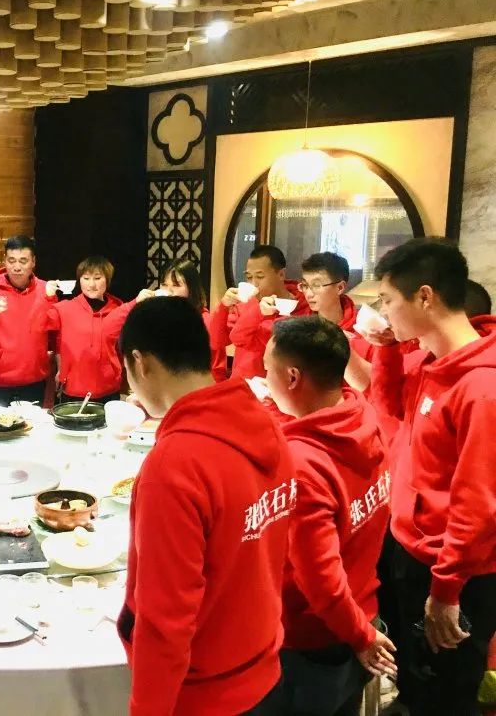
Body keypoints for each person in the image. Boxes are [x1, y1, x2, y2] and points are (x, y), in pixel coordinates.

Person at [116, 297, 295, 715]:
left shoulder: (175, 464)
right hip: (263, 667)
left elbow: (165, 619)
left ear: (140, 362)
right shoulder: (264, 423)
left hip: (205, 693)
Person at [358, 238, 496, 716]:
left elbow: (478, 503)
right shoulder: (434, 364)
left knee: (447, 690)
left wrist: (447, 588)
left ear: (424, 297)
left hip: (454, 570)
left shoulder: (481, 385)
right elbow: (388, 409)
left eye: (386, 300)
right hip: (412, 548)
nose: (383, 311)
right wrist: (387, 350)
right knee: (415, 676)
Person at [263, 317, 395, 716]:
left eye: (267, 370)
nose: (264, 380)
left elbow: (320, 579)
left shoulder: (304, 465)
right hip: (360, 609)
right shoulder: (360, 415)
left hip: (314, 634)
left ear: (292, 377)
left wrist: (361, 637)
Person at [0, 235, 55, 406]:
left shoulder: (45, 290)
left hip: (34, 382)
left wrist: (51, 300)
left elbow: (54, 329)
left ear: (33, 262)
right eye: (11, 260)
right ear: (4, 261)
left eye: (23, 261)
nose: (17, 267)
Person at [33, 256, 124, 404]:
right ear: (79, 280)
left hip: (108, 388)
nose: (91, 284)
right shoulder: (66, 308)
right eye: (86, 278)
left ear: (107, 280)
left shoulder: (118, 309)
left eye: (97, 278)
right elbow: (39, 325)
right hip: (73, 388)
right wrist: (48, 298)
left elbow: (123, 348)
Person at [210, 244, 309, 380]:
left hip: (283, 386)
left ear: (281, 274)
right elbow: (216, 341)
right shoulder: (246, 303)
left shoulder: (301, 305)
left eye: (260, 276)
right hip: (243, 385)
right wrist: (223, 307)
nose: (253, 283)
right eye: (249, 277)